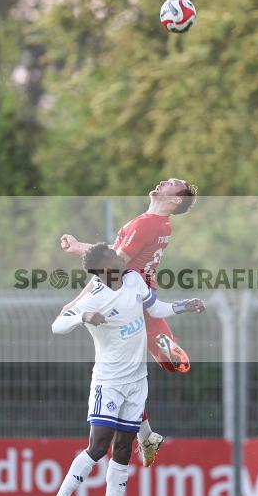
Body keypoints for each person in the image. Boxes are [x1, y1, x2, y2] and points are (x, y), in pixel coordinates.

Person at [44, 243, 205, 496]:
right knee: (98, 446)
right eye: (113, 257)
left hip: (137, 381)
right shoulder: (95, 298)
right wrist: (83, 318)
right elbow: (57, 325)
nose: (120, 258)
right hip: (109, 382)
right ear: (102, 270)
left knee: (122, 450)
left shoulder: (133, 280)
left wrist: (185, 305)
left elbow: (156, 308)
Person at [59, 178, 197, 467]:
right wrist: (79, 248)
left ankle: (147, 432)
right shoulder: (159, 225)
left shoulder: (147, 224)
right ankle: (147, 435)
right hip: (141, 298)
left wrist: (77, 303)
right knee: (130, 376)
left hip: (127, 300)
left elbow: (110, 264)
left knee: (122, 374)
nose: (165, 181)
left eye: (173, 183)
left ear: (174, 200)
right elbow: (115, 251)